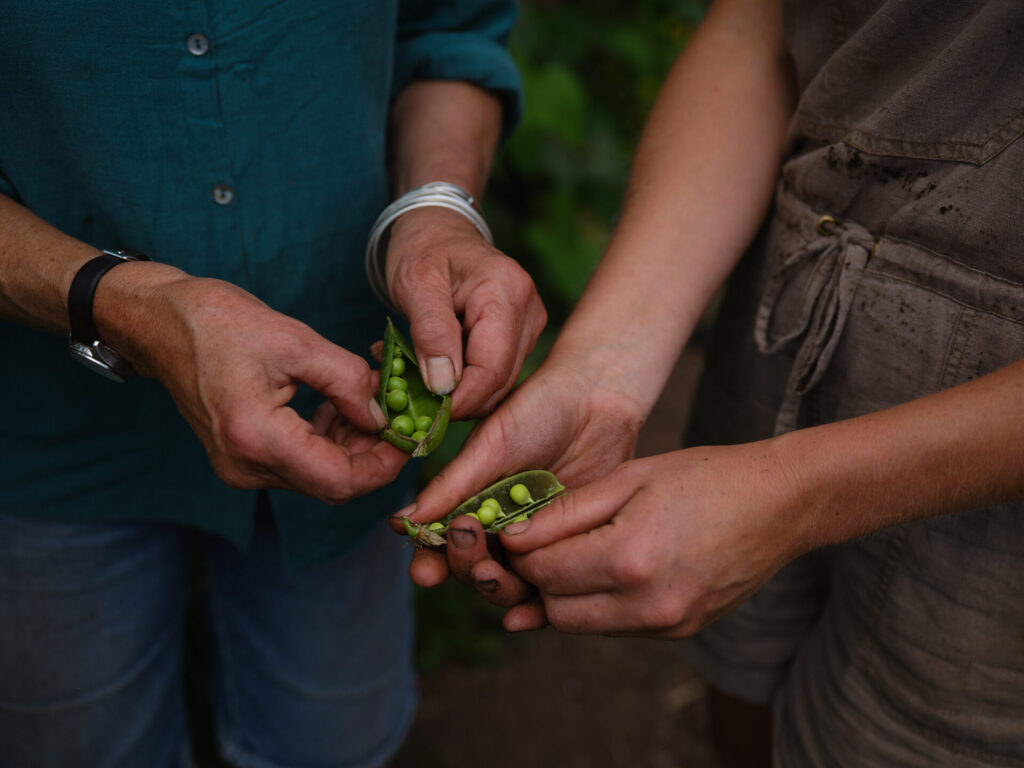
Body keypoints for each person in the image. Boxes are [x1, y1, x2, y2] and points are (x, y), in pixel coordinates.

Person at [402, 0, 1024, 764]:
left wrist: (797, 493)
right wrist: (603, 376)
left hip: (996, 476)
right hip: (791, 302)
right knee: (743, 690)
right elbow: (755, 27)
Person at [0, 2, 546, 766]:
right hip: (42, 426)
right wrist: (121, 304)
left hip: (342, 415)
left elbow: (447, 32)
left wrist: (437, 210)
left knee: (331, 739)